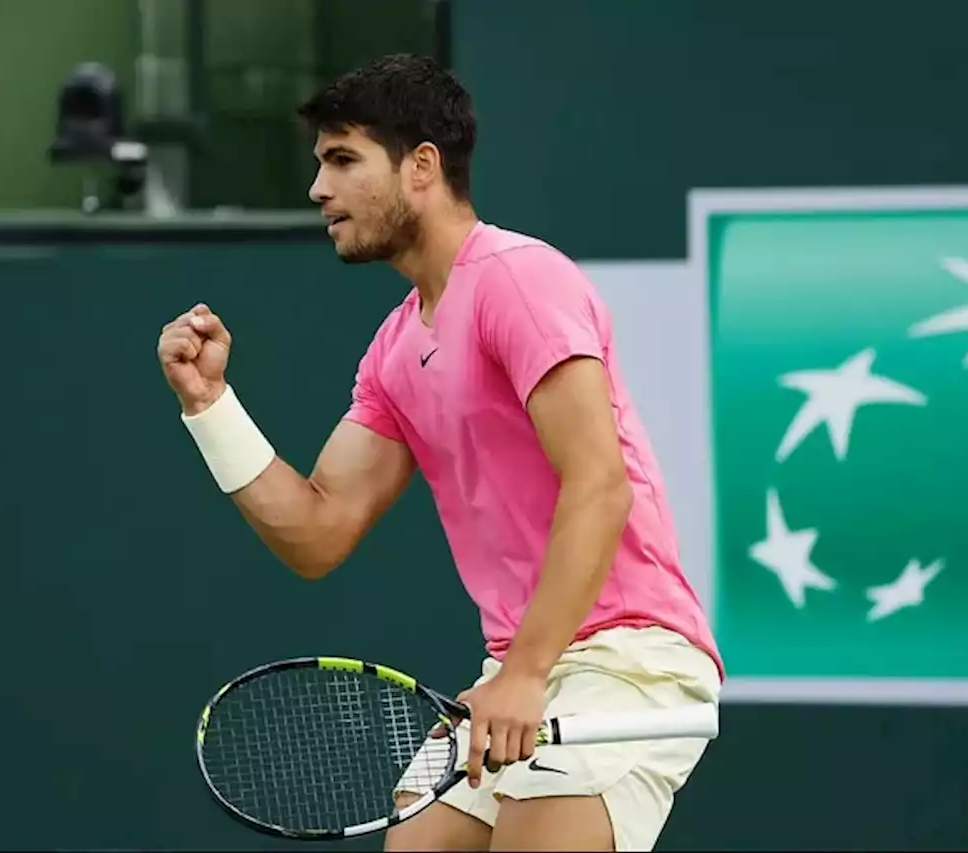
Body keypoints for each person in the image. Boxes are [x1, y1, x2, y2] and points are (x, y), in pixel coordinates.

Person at [156, 54, 723, 852]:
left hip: (626, 654)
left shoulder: (521, 281)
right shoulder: (395, 349)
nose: (319, 188)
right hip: (520, 665)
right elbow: (317, 532)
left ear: (422, 165)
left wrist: (527, 673)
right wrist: (209, 406)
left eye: (343, 160)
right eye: (321, 162)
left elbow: (600, 485)